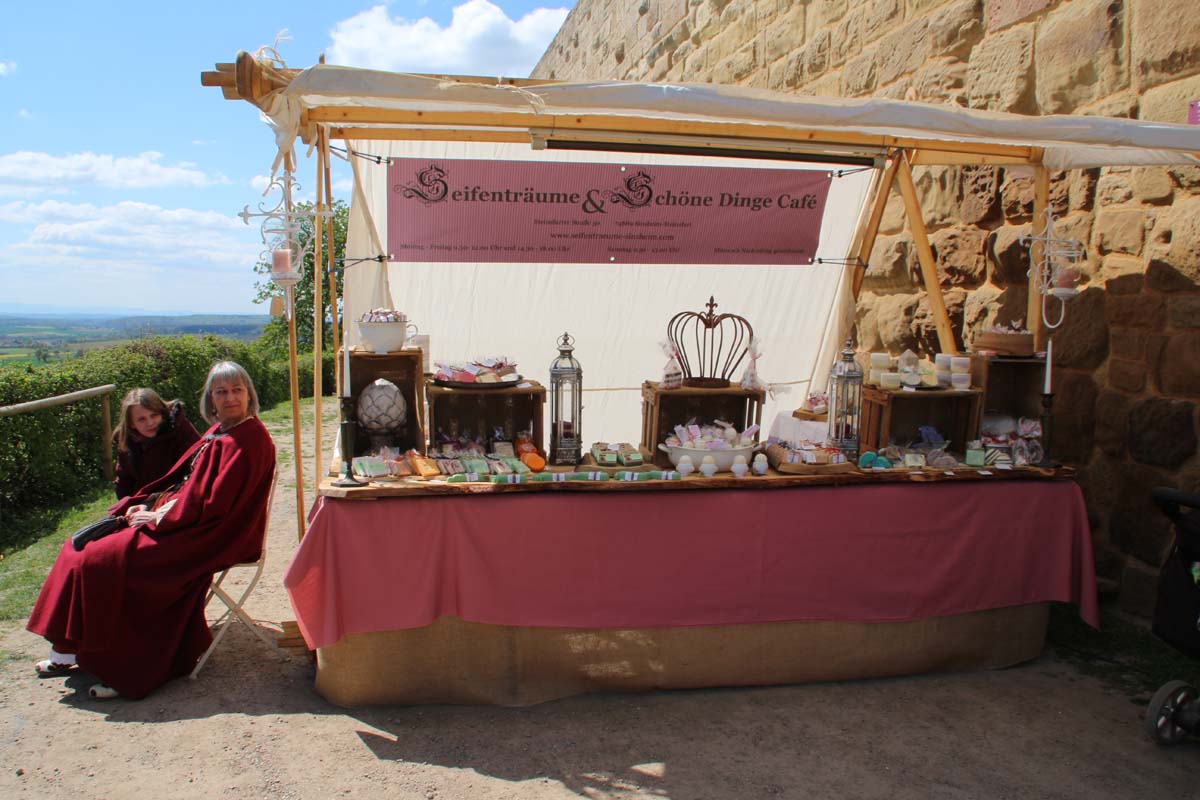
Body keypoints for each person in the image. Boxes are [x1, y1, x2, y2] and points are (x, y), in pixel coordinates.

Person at [27, 361, 276, 699]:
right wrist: (148, 503)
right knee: (77, 548)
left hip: (213, 536)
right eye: (221, 391)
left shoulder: (249, 439)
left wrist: (160, 517)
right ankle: (69, 651)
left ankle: (128, 668)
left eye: (237, 390)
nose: (230, 397)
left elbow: (216, 505)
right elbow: (186, 485)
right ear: (211, 399)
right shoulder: (221, 430)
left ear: (249, 394)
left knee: (103, 562)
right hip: (187, 522)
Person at [112, 388, 201, 499]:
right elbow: (124, 483)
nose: (150, 423)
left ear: (162, 413)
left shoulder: (179, 428)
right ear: (131, 424)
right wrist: (129, 504)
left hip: (180, 495)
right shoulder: (127, 442)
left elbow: (200, 462)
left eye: (154, 415)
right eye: (141, 419)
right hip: (143, 500)